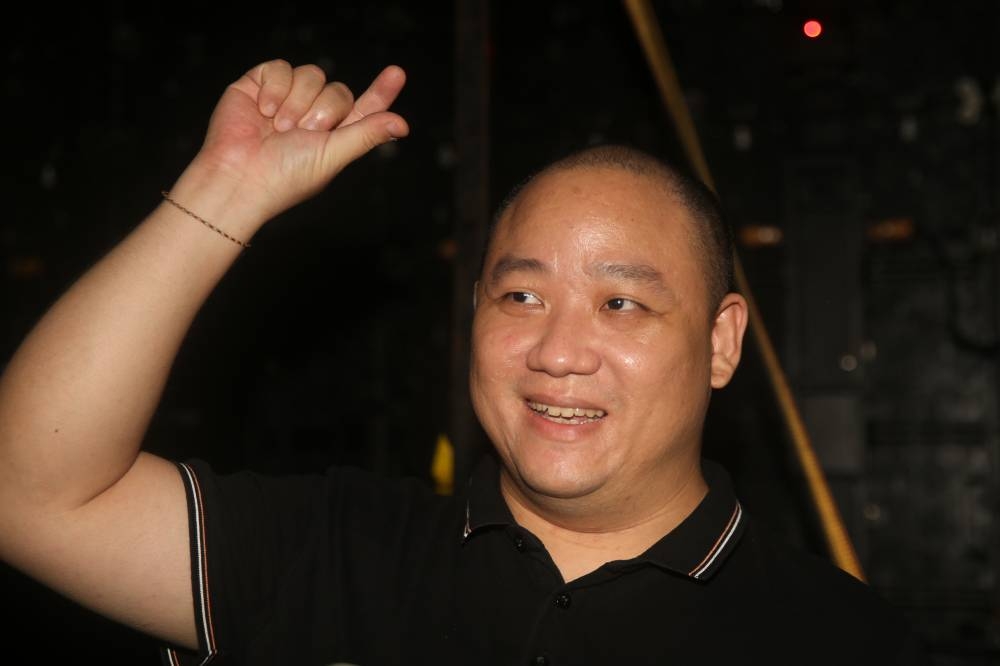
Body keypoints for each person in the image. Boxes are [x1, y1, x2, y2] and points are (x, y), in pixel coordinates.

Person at [0, 59, 923, 665]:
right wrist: (223, 193)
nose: (559, 353)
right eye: (520, 296)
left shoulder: (837, 639)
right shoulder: (341, 551)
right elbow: (29, 490)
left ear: (721, 342)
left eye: (622, 304)